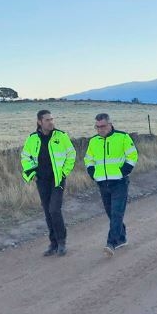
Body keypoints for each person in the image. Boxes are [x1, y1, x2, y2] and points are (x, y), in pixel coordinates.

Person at [21, 110, 76, 257]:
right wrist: (32, 173)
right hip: (41, 180)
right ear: (39, 122)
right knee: (47, 211)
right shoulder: (32, 139)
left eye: (52, 119)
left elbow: (71, 154)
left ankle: (62, 241)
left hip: (57, 179)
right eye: (47, 120)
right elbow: (25, 157)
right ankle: (53, 243)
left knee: (54, 210)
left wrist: (64, 172)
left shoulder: (61, 136)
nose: (51, 122)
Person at [84, 113, 138, 257]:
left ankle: (111, 243)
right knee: (111, 213)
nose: (100, 129)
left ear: (110, 124)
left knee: (116, 213)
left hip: (119, 182)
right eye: (98, 127)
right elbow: (88, 159)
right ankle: (121, 237)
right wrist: (92, 173)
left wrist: (123, 171)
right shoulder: (93, 141)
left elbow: (132, 156)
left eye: (103, 126)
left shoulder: (123, 137)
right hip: (102, 183)